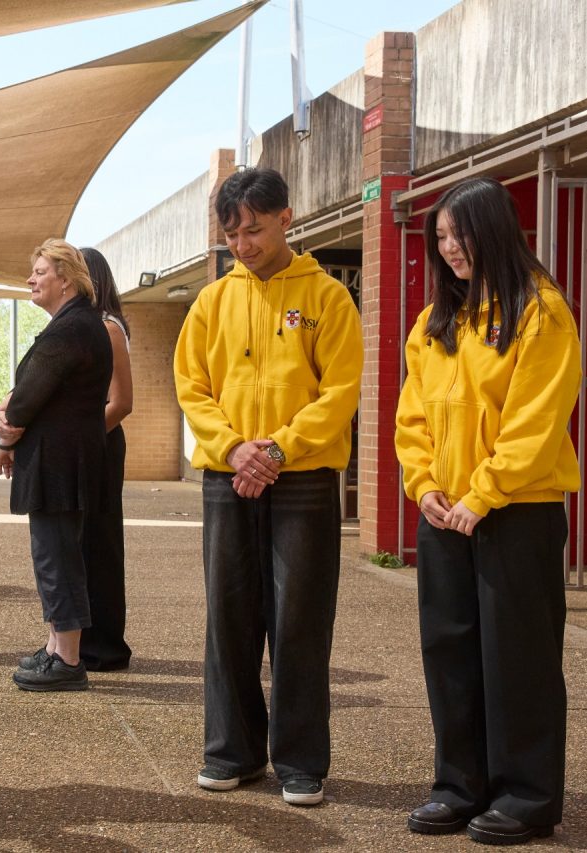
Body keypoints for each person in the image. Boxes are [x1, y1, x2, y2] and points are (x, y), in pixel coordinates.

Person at [395, 177, 578, 845]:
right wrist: (424, 485)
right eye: (440, 237)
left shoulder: (540, 311)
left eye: (459, 234)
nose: (449, 249)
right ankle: (458, 784)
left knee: (518, 657)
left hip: (515, 512)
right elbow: (411, 415)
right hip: (445, 513)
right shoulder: (434, 321)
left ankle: (526, 796)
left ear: (495, 228)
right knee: (450, 651)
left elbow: (535, 421)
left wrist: (483, 493)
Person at [173, 167, 362, 807]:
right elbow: (191, 388)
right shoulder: (210, 302)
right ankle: (232, 751)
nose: (243, 244)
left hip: (303, 477)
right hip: (228, 476)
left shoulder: (328, 298)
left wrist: (278, 447)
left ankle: (301, 760)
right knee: (228, 614)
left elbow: (340, 392)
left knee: (300, 620)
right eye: (232, 234)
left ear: (286, 217)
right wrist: (234, 448)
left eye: (253, 229)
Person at [0, 238, 112, 693]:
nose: (31, 279)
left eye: (40, 271)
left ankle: (66, 657)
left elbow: (25, 400)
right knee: (56, 556)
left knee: (56, 557)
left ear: (65, 277)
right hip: (64, 461)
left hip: (59, 464)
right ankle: (56, 645)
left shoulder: (70, 329)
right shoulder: (78, 323)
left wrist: (1, 422)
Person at [77, 246, 133, 672]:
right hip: (86, 444)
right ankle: (83, 639)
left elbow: (121, 402)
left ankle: (106, 644)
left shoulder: (108, 326)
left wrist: (80, 439)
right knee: (80, 545)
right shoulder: (84, 325)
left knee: (100, 545)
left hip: (100, 445)